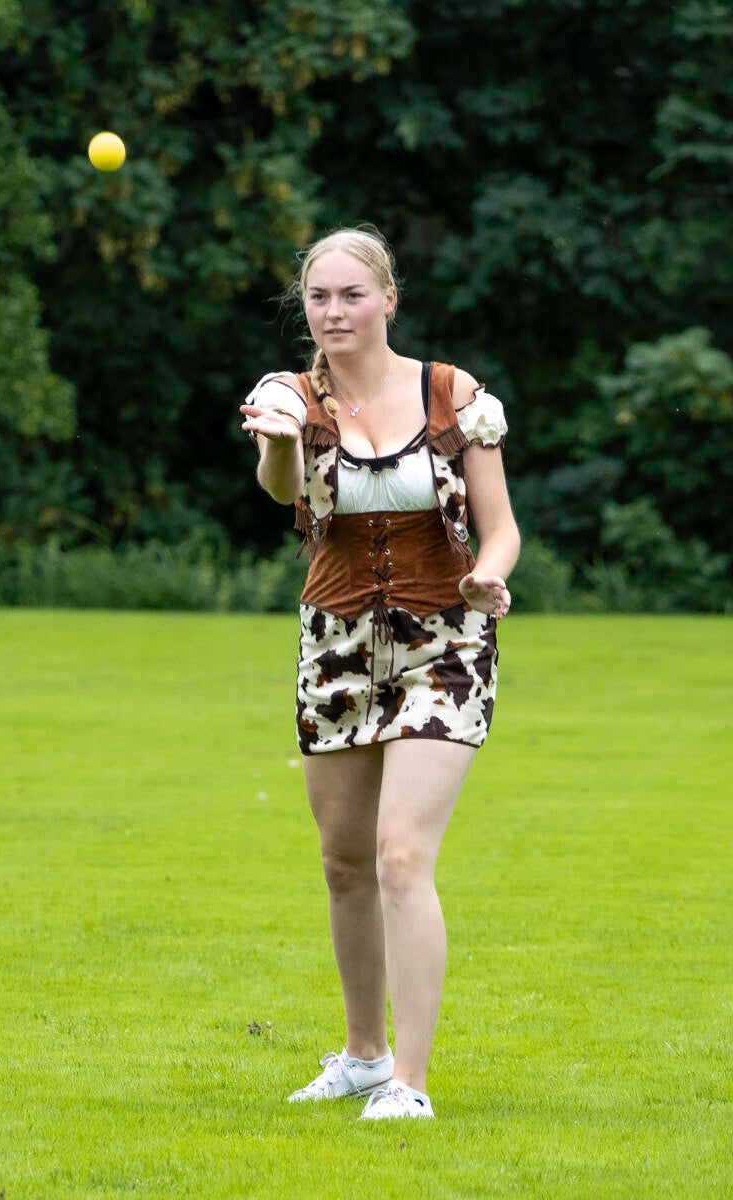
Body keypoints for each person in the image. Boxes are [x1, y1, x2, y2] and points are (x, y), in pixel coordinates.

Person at [240, 227, 520, 1120]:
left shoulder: (452, 395)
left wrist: (489, 577)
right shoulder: (287, 395)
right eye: (318, 297)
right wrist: (282, 440)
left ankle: (410, 1082)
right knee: (345, 863)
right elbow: (282, 490)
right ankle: (364, 1056)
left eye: (352, 295)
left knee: (402, 857)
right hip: (336, 648)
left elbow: (501, 527)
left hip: (446, 644)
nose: (334, 312)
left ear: (388, 300)